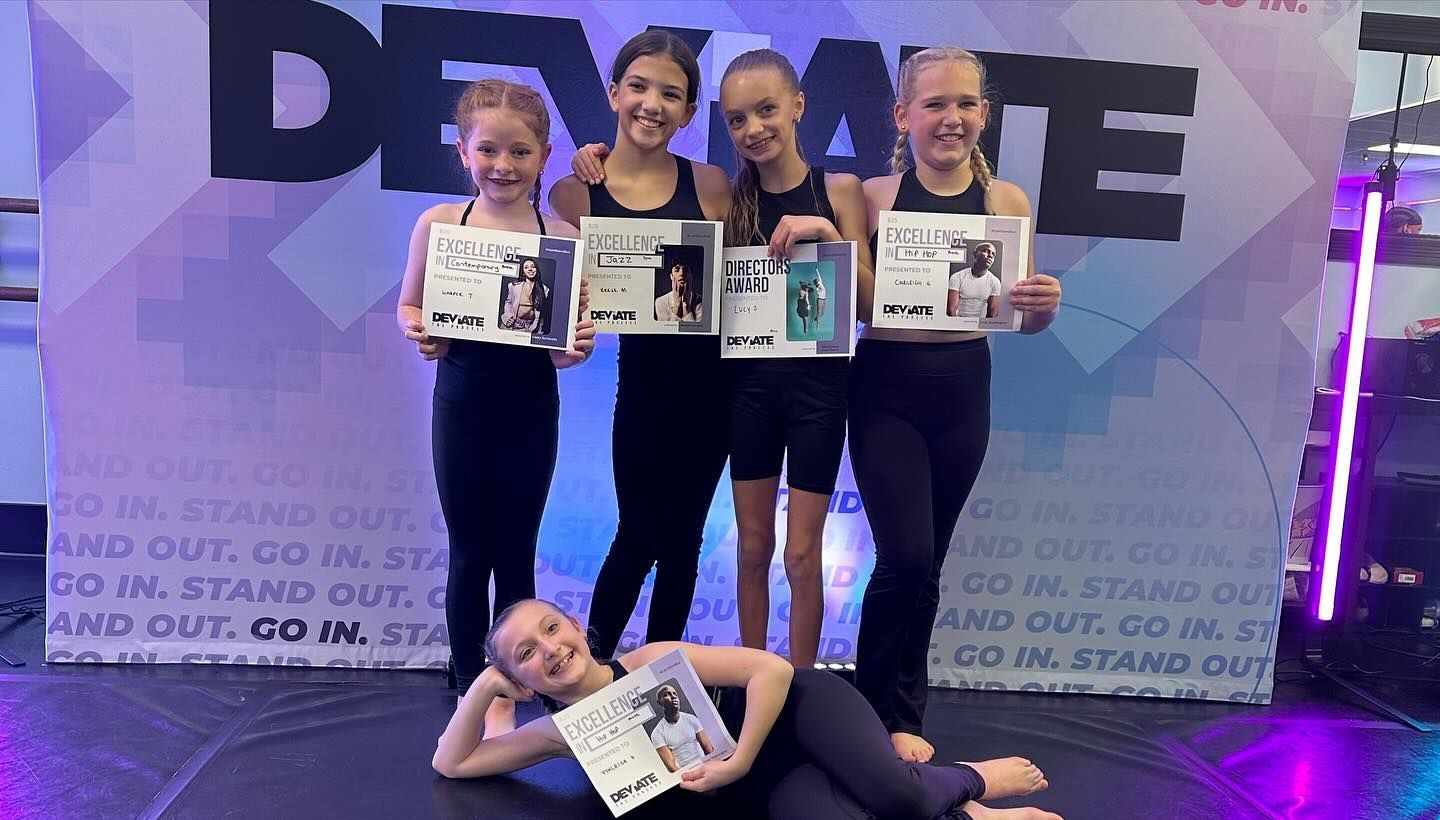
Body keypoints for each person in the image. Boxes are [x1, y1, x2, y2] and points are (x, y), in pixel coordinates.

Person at [854, 48, 1062, 763]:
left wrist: (1045, 305)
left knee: (930, 564)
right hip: (885, 386)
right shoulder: (870, 197)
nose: (952, 118)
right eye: (936, 103)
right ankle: (870, 708)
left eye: (966, 104)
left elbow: (1020, 318)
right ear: (902, 115)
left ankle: (904, 712)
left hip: (964, 385)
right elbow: (850, 301)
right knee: (904, 558)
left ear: (984, 114)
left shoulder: (1007, 202)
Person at [433, 598, 1061, 820]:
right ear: (519, 676)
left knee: (902, 801)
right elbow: (454, 765)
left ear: (576, 625)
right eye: (525, 653)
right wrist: (486, 688)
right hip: (775, 782)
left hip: (796, 712)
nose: (549, 649)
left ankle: (969, 778)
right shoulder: (561, 734)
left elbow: (772, 669)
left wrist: (736, 761)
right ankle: (970, 815)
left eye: (551, 628)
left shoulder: (652, 657)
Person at [395, 79, 596, 731]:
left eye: (519, 152)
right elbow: (410, 304)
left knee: (516, 551)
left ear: (543, 156)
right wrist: (419, 330)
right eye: (489, 150)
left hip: (531, 412)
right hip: (461, 408)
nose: (503, 166)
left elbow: (566, 345)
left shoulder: (561, 236)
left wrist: (575, 349)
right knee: (468, 551)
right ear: (463, 152)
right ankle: (467, 684)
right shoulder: (438, 225)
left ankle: (510, 687)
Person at [550, 31, 734, 659]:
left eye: (672, 94)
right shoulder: (573, 195)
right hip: (645, 386)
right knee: (638, 531)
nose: (652, 104)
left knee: (684, 541)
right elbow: (563, 298)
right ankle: (592, 669)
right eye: (639, 86)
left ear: (688, 111)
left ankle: (663, 682)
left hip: (715, 388)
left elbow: (746, 281)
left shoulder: (712, 185)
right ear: (614, 93)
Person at [649, 684, 713, 771]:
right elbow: (671, 766)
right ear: (659, 702)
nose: (673, 696)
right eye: (666, 694)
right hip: (684, 773)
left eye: (675, 694)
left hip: (705, 766)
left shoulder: (691, 719)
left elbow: (707, 747)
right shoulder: (657, 732)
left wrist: (709, 768)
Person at [947, 242, 1000, 319]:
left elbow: (992, 314)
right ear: (975, 254)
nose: (990, 255)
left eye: (993, 254)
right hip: (959, 321)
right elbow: (951, 310)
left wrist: (981, 329)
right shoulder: (957, 277)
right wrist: (957, 326)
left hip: (980, 324)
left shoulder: (995, 282)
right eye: (986, 251)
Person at [501, 257, 550, 332]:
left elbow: (541, 313)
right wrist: (508, 316)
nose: (530, 269)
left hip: (530, 328)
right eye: (526, 267)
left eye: (533, 267)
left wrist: (538, 329)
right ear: (523, 272)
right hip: (512, 325)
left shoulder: (544, 289)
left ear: (536, 270)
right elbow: (508, 302)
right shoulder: (513, 286)